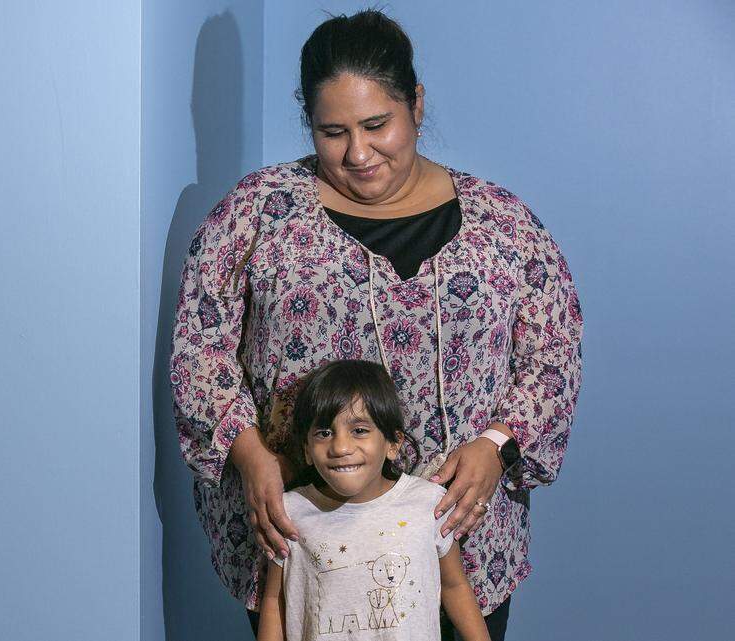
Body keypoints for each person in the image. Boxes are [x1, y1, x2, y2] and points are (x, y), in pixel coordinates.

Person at [169, 10, 582, 641]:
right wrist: (250, 454)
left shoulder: (505, 226)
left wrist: (498, 444)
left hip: (458, 553)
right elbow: (200, 347)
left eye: (375, 125)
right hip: (308, 551)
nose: (357, 154)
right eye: (331, 131)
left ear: (416, 104)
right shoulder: (255, 215)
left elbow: (553, 355)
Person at [257, 360, 489, 641]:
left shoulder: (429, 505)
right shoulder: (289, 513)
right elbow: (274, 601)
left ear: (393, 443)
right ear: (307, 450)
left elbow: (455, 587)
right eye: (324, 433)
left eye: (359, 430)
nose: (340, 447)